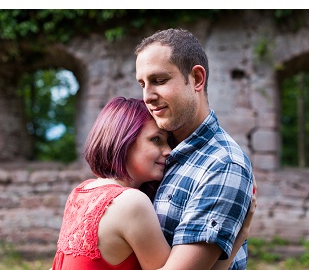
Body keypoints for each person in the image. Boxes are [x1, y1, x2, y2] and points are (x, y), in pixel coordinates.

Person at [53, 97, 253, 270]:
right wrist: (239, 235)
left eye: (168, 142)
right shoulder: (131, 203)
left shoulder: (81, 192)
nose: (168, 151)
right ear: (124, 140)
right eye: (156, 139)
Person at [135, 29, 255, 269]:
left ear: (197, 79)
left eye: (159, 80)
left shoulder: (223, 166)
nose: (147, 96)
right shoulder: (152, 150)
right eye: (142, 84)